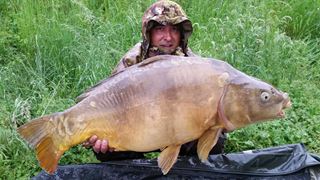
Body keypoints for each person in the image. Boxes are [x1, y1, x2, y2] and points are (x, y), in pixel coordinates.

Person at [82, 0, 227, 161]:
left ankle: (183, 169)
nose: (168, 37)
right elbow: (109, 103)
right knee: (107, 146)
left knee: (215, 138)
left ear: (182, 34)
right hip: (140, 127)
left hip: (179, 129)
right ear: (148, 32)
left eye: (174, 30)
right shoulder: (131, 62)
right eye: (160, 29)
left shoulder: (192, 64)